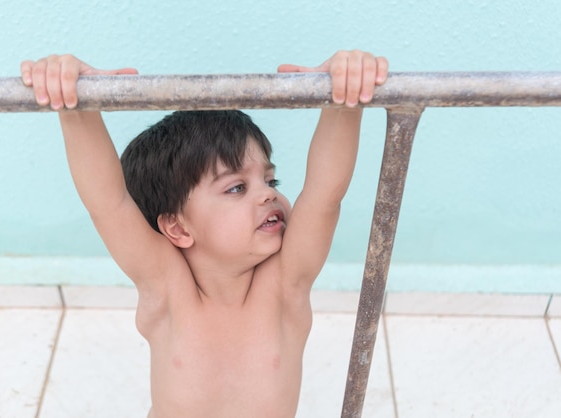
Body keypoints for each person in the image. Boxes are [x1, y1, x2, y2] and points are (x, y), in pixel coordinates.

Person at [20, 50, 388, 418]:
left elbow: (324, 196)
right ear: (178, 228)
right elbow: (108, 203)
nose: (268, 193)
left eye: (270, 179)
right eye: (236, 188)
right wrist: (73, 105)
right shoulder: (167, 288)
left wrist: (344, 100)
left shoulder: (284, 285)